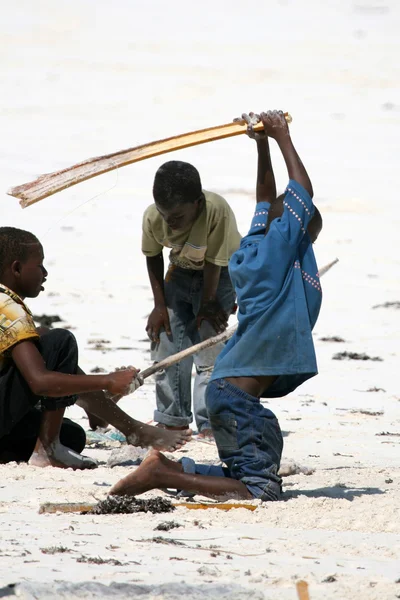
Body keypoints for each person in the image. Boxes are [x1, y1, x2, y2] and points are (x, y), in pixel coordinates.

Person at [110, 110, 323, 501]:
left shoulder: (256, 245)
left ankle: (178, 469)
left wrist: (260, 145)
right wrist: (282, 137)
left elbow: (265, 197)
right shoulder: (278, 252)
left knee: (248, 464)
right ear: (292, 229)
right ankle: (161, 473)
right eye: (309, 233)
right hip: (237, 397)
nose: (308, 239)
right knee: (260, 490)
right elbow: (302, 193)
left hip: (230, 391)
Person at [0, 227, 191, 468]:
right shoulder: (9, 308)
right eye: (40, 265)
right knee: (59, 341)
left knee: (73, 435)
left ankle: (96, 410)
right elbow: (39, 381)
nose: (45, 273)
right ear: (16, 269)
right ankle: (49, 448)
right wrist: (107, 381)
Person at [142, 160, 241, 438]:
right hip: (182, 270)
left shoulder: (216, 210)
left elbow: (214, 261)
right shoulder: (153, 217)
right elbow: (152, 257)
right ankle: (173, 418)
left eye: (177, 217)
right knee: (166, 341)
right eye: (164, 215)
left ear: (197, 203)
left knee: (208, 344)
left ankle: (211, 422)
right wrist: (160, 306)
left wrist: (209, 304)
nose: (169, 223)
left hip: (220, 273)